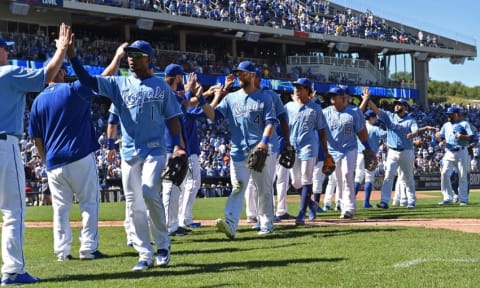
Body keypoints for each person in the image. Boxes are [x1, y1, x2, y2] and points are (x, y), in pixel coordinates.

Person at [69, 39, 185, 271]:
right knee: (133, 204)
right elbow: (89, 81)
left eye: (137, 54)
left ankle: (163, 244)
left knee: (150, 191)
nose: (132, 58)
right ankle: (144, 253)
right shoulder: (118, 84)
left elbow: (173, 118)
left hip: (154, 149)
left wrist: (178, 146)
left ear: (148, 58)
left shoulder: (161, 87)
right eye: (129, 54)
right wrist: (72, 56)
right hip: (130, 152)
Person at [28, 42, 126, 262]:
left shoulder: (37, 102)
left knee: (60, 210)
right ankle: (88, 248)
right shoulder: (73, 90)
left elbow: (36, 139)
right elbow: (103, 77)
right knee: (89, 203)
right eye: (64, 70)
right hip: (79, 155)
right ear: (60, 71)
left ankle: (62, 252)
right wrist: (117, 57)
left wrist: (46, 162)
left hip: (54, 163)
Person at [0, 23, 71, 286]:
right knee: (13, 210)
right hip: (4, 145)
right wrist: (62, 49)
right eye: (5, 50)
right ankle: (13, 270)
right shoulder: (6, 73)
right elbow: (47, 74)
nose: (7, 54)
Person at [199, 61, 277, 237]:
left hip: (258, 150)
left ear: (251, 75)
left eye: (242, 73)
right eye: (238, 73)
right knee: (238, 187)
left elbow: (270, 122)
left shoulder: (265, 98)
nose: (239, 76)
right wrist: (202, 99)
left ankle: (266, 223)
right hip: (238, 152)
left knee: (262, 188)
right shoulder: (231, 98)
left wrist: (264, 142)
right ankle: (231, 223)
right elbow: (213, 115)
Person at [284, 78, 329, 224]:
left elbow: (322, 131)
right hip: (293, 147)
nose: (297, 89)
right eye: (296, 87)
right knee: (296, 182)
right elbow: (283, 127)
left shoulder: (315, 108)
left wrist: (326, 152)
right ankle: (311, 204)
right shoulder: (289, 107)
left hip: (309, 147)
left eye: (301, 87)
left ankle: (301, 214)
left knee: (306, 179)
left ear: (308, 91)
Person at [322, 87, 372, 219]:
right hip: (333, 151)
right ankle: (343, 206)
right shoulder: (325, 112)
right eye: (331, 95)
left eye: (335, 95)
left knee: (347, 176)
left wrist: (367, 147)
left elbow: (361, 132)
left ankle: (349, 208)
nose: (332, 97)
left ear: (342, 97)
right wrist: (324, 151)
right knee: (339, 180)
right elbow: (320, 132)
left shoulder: (354, 112)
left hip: (349, 149)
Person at [365, 97, 419, 209]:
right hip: (392, 151)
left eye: (399, 104)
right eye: (396, 104)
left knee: (408, 177)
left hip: (406, 151)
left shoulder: (410, 120)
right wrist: (368, 100)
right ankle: (384, 201)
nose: (396, 106)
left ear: (405, 107)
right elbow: (377, 110)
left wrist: (413, 134)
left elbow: (416, 130)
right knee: (388, 176)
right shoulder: (390, 116)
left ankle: (411, 201)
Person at [436, 106, 475, 205]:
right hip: (449, 152)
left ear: (456, 114)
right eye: (448, 114)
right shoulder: (446, 125)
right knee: (444, 173)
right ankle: (447, 198)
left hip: (461, 151)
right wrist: (440, 140)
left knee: (462, 175)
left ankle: (463, 199)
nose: (448, 116)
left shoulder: (464, 124)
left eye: (450, 114)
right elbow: (441, 137)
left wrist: (461, 136)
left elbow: (472, 137)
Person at [353, 108, 386, 208]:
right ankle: (366, 202)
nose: (376, 119)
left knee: (358, 177)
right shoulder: (375, 129)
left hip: (359, 153)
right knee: (369, 178)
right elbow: (385, 134)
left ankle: (351, 201)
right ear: (371, 118)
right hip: (370, 154)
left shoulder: (360, 127)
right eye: (374, 117)